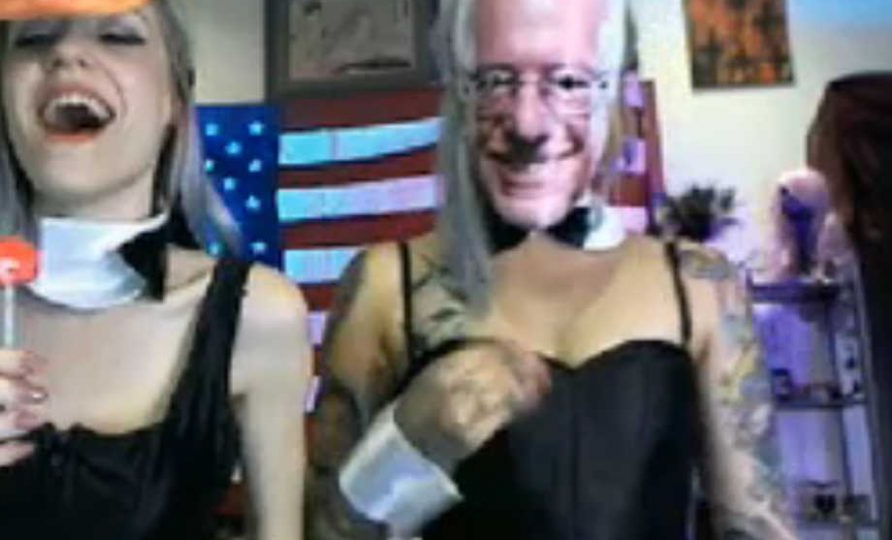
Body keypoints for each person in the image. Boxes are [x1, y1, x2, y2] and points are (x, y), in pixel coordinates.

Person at [307, 0, 799, 538]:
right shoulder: (386, 287)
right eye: (497, 81)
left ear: (615, 98)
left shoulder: (698, 287)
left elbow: (760, 528)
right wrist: (403, 450)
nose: (528, 124)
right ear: (460, 96)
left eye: (567, 82)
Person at [0, 1, 313, 539]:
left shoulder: (261, 314)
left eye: (118, 36)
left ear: (175, 100)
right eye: (35, 37)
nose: (67, 53)